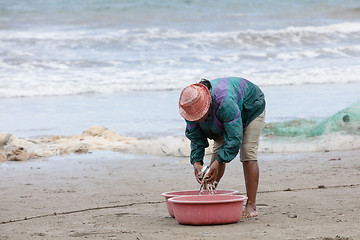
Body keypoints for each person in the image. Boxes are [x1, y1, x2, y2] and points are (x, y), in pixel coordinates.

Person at [178, 77, 265, 218]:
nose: (197, 118)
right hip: (223, 116)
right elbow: (196, 138)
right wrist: (197, 163)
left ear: (206, 106)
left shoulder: (224, 103)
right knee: (216, 157)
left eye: (200, 115)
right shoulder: (189, 107)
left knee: (248, 153)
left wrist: (218, 162)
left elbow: (234, 138)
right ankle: (207, 198)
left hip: (251, 106)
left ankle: (251, 205)